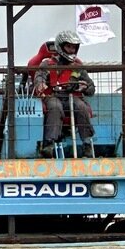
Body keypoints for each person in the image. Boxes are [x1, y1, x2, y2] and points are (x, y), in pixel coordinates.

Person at [32, 30, 95, 158]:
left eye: (74, 47)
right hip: (52, 97)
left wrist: (84, 87)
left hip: (73, 97)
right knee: (55, 107)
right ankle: (49, 144)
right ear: (60, 47)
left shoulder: (78, 67)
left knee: (82, 107)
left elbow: (91, 88)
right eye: (68, 46)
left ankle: (87, 144)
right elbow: (39, 77)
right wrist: (40, 85)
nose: (71, 50)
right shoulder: (47, 64)